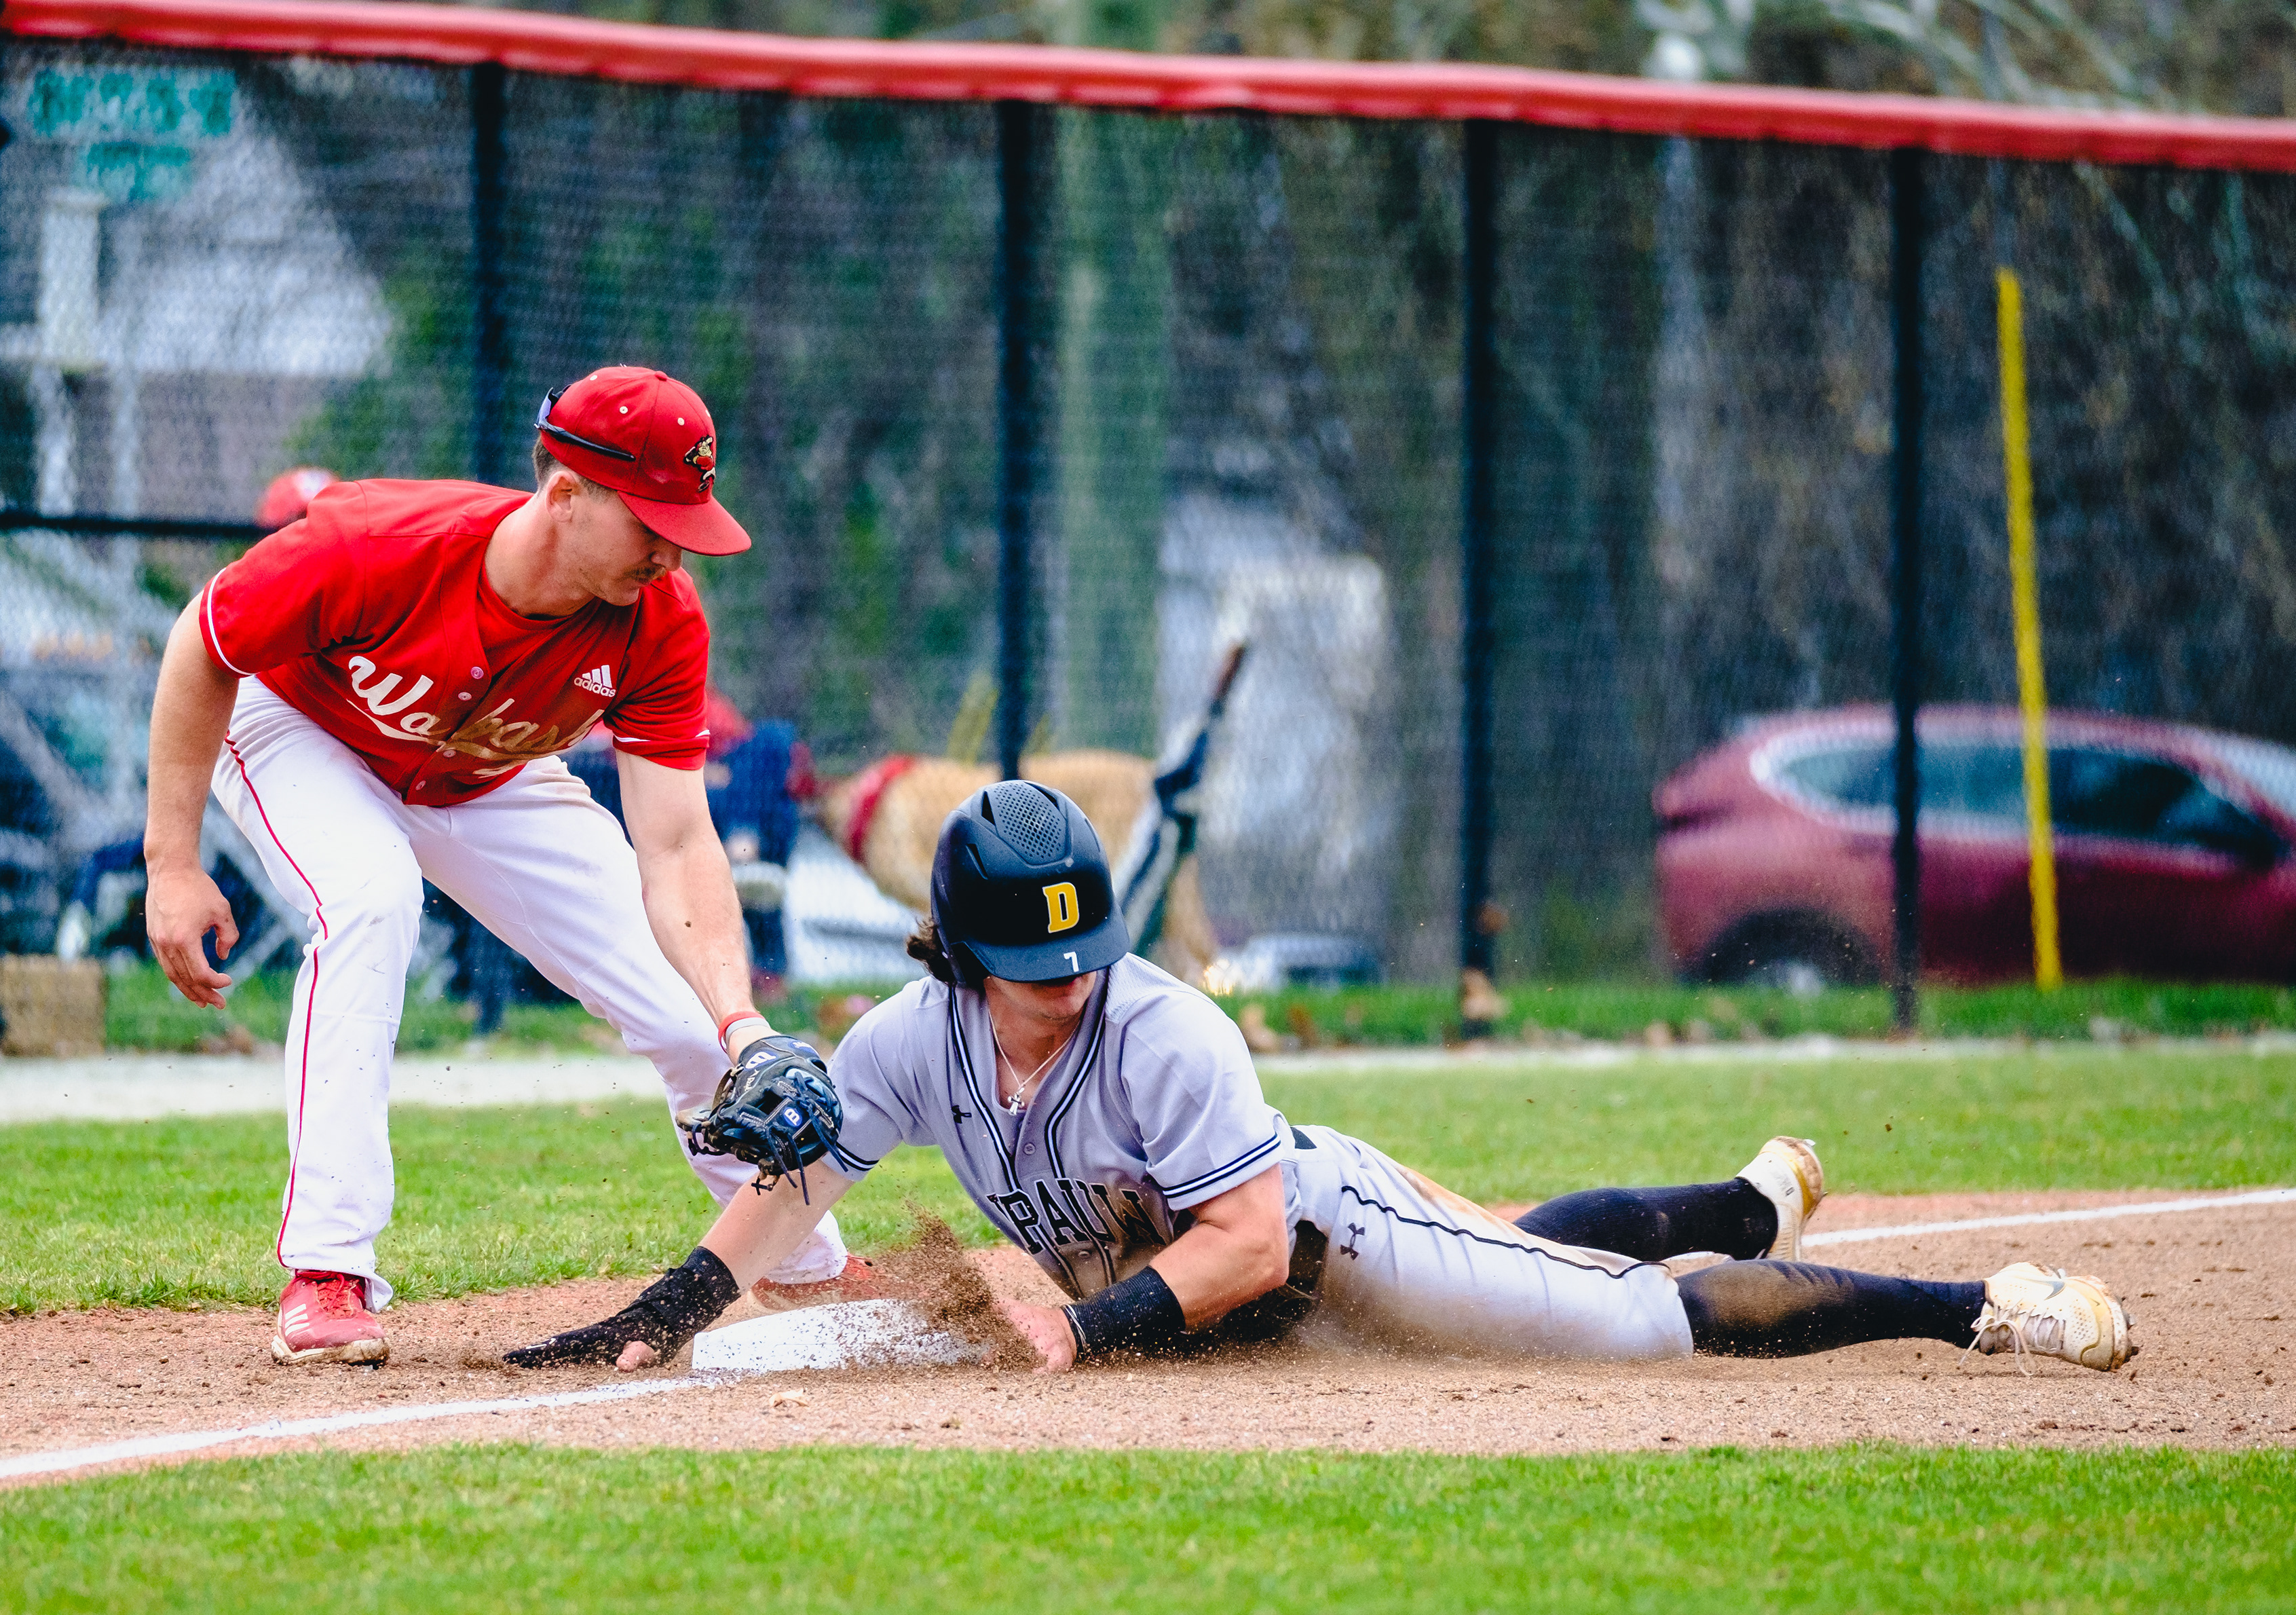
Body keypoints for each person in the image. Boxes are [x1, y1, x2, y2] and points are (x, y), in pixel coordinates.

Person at [506, 780, 2136, 1378]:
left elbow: (1236, 1244)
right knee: (1532, 1242)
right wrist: (663, 1311)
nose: (1068, 981)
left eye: (1087, 951)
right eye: (1033, 960)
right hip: (1249, 1274)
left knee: (1621, 1320)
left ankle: (1974, 1303)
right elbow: (794, 1186)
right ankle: (1737, 1197)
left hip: (1317, 1235)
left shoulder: (1166, 1029)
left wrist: (1076, 1328)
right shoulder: (907, 1043)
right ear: (956, 948)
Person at [143, 365, 871, 1367]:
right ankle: (327, 1268)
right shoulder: (380, 544)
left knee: (684, 1005)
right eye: (651, 520)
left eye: (685, 523)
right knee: (371, 897)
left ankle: (803, 1263)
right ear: (566, 493)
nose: (670, 551)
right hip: (301, 728)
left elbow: (674, 842)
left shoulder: (660, 616)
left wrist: (742, 1022)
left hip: (484, 764)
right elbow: (203, 643)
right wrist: (171, 863)